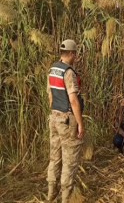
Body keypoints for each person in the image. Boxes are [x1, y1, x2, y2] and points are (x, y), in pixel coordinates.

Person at [46, 39, 85, 203]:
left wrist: (55, 113)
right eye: (75, 53)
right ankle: (65, 198)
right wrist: (80, 123)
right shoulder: (68, 73)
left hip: (54, 118)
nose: (76, 57)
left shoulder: (52, 69)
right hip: (67, 119)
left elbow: (50, 96)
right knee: (69, 160)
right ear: (71, 53)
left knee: (54, 157)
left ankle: (50, 194)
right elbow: (74, 100)